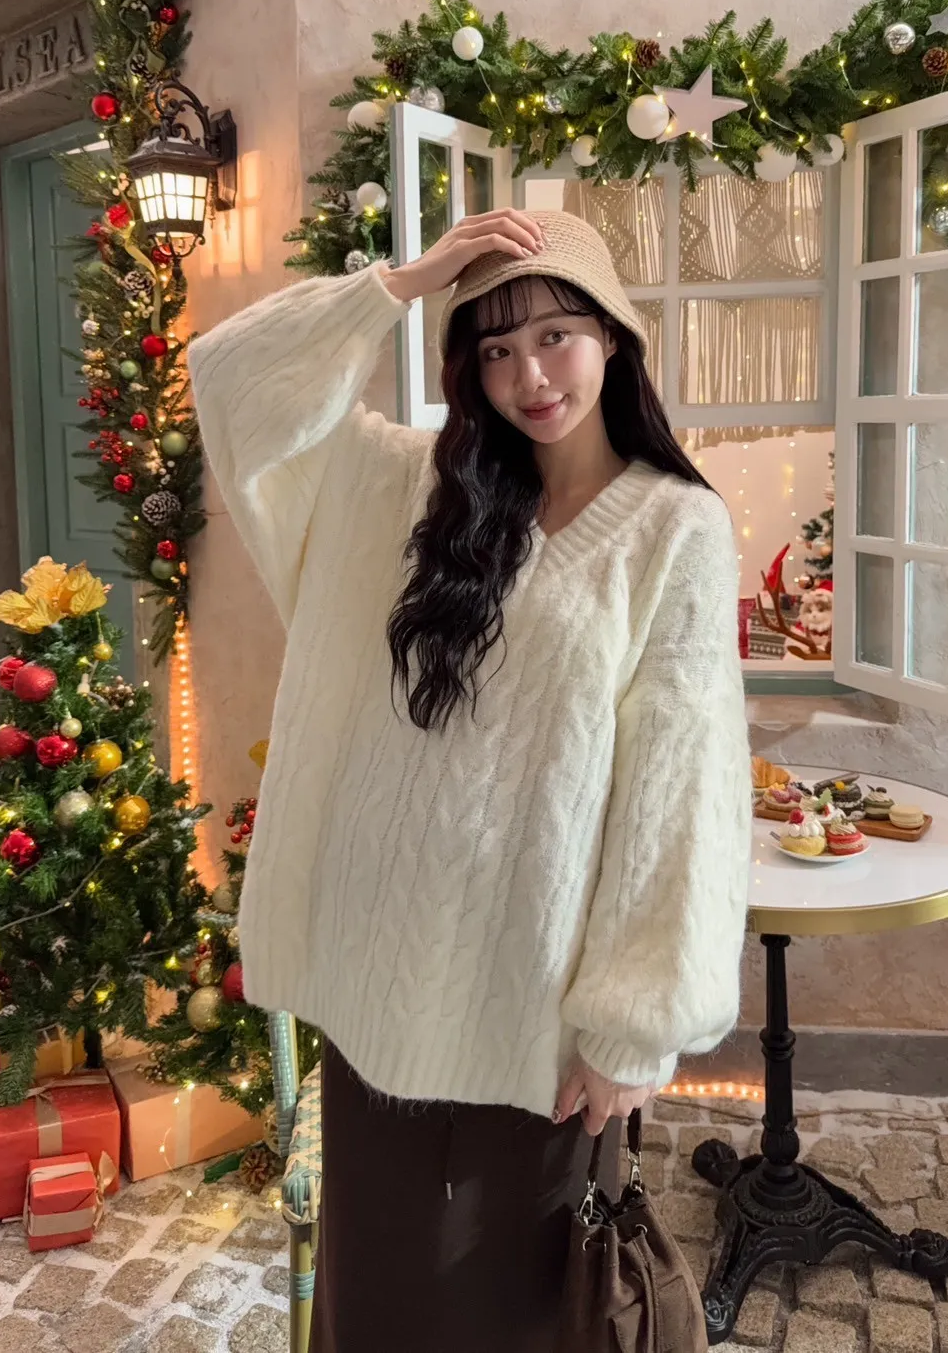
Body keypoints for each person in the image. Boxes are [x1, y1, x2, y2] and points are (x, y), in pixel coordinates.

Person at [188, 207, 751, 1352]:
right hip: (376, 987)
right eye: (494, 347)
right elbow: (233, 384)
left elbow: (680, 787)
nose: (528, 376)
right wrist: (404, 282)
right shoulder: (408, 487)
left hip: (531, 1018)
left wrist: (631, 1024)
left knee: (525, 1310)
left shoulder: (674, 527)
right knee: (377, 1301)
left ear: (611, 335)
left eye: (553, 335)